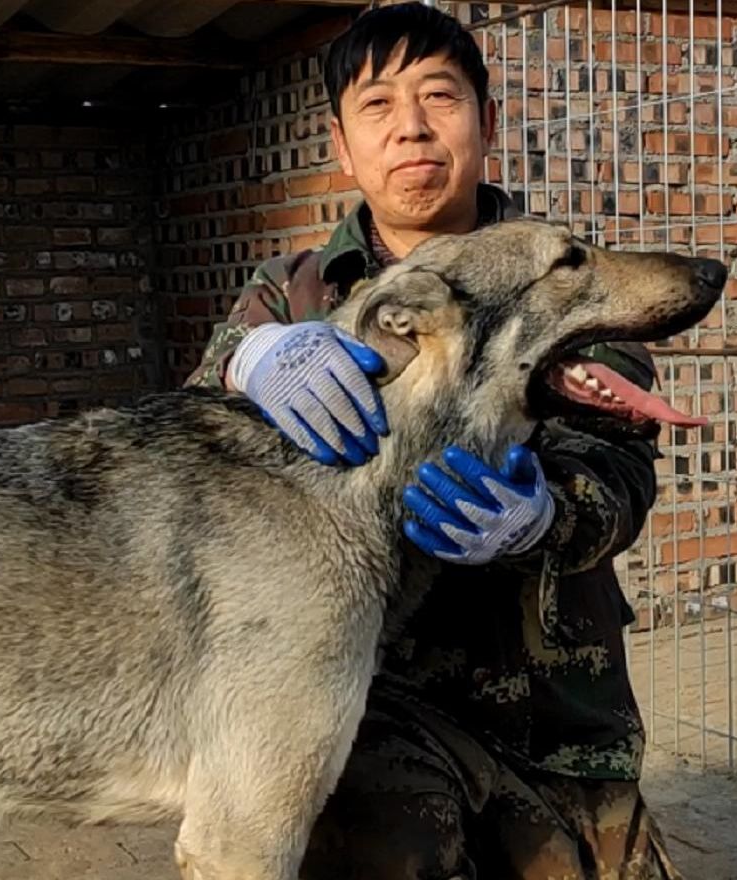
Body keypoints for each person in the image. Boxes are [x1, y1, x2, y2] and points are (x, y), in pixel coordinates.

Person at [184, 4, 682, 878]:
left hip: (554, 720)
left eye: (439, 96)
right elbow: (198, 448)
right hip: (368, 709)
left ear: (487, 122)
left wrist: (543, 516)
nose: (410, 127)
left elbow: (621, 471)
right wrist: (246, 358)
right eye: (377, 105)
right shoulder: (294, 293)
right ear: (341, 145)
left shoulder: (565, 277)